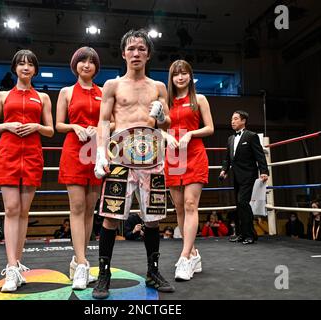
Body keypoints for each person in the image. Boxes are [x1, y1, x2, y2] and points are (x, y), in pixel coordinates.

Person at [93, 29, 174, 299]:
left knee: (152, 219)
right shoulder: (112, 86)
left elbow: (167, 123)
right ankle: (104, 274)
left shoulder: (158, 87)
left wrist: (162, 115)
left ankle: (153, 271)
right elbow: (104, 121)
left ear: (148, 53)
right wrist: (100, 153)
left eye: (141, 48)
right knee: (110, 217)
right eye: (131, 48)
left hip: (151, 158)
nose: (136, 53)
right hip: (120, 159)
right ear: (123, 53)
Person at [0, 49, 54, 292]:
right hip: (8, 154)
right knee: (11, 208)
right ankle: (11, 267)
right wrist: (8, 125)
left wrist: (36, 125)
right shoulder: (2, 96)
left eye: (30, 64)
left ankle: (18, 264)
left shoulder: (43, 97)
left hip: (33, 155)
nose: (26, 67)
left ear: (35, 69)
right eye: (21, 64)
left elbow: (51, 130)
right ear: (14, 68)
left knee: (24, 212)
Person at [163, 59, 214, 281]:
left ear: (190, 76)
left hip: (194, 154)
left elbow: (210, 128)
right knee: (179, 208)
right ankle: (193, 253)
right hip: (173, 156)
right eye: (176, 74)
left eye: (184, 73)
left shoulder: (199, 99)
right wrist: (166, 135)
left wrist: (190, 133)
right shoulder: (165, 101)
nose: (180, 77)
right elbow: (157, 127)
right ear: (171, 78)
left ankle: (184, 257)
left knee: (191, 204)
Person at [56, 47, 102, 290]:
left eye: (91, 61)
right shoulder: (66, 92)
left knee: (90, 210)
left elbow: (112, 120)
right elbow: (58, 124)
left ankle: (78, 260)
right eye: (82, 61)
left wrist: (99, 128)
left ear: (96, 67)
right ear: (75, 65)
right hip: (74, 151)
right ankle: (83, 263)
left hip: (96, 153)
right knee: (77, 207)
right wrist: (75, 127)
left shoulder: (104, 92)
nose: (87, 65)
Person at [219, 110, 269, 245]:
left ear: (243, 121)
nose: (232, 121)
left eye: (235, 119)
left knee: (243, 202)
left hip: (249, 175)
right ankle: (241, 234)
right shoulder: (230, 138)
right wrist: (224, 170)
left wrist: (264, 171)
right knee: (239, 205)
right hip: (236, 176)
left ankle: (250, 235)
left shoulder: (251, 136)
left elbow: (260, 155)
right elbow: (227, 158)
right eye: (232, 119)